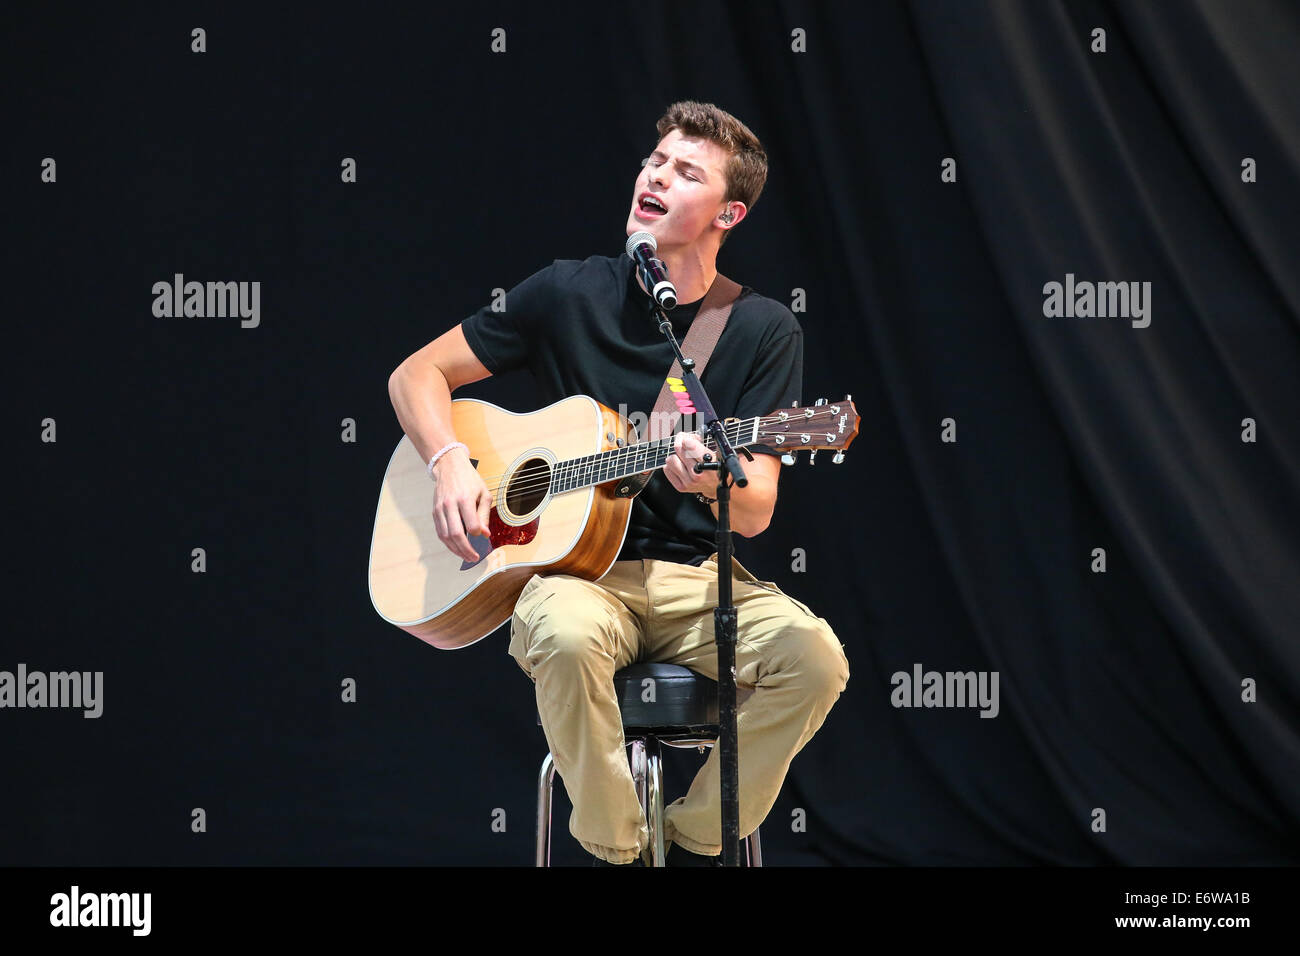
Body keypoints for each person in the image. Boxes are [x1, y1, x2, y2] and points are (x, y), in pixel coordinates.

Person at [388, 101, 850, 866]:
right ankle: (618, 850)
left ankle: (695, 839)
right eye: (656, 161)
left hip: (696, 581)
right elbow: (417, 375)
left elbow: (759, 507)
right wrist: (448, 465)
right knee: (566, 634)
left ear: (728, 213)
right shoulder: (564, 292)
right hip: (576, 578)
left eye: (686, 172)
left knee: (815, 660)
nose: (657, 176)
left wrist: (707, 480)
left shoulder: (760, 328)